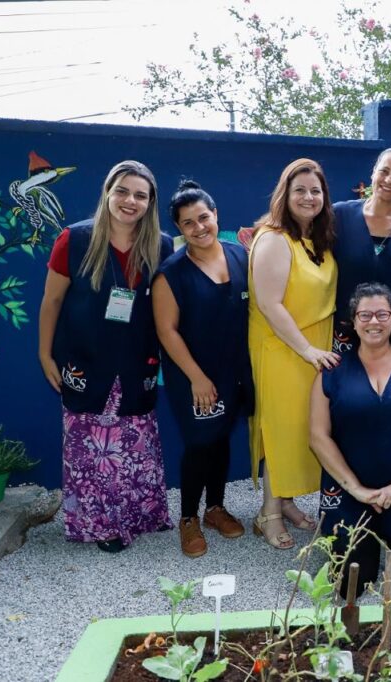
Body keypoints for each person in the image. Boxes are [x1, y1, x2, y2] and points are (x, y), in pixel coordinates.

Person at [38, 160, 172, 553]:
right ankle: (99, 524)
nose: (130, 201)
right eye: (123, 191)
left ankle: (140, 514)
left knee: (134, 443)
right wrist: (44, 354)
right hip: (84, 359)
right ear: (108, 192)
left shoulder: (161, 245)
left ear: (150, 202)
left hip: (136, 360)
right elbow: (52, 300)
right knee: (88, 446)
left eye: (140, 195)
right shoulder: (74, 239)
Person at [310, 282, 391, 594]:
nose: (374, 322)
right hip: (348, 494)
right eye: (365, 315)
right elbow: (318, 437)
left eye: (382, 314)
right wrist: (355, 489)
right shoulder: (332, 372)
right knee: (350, 585)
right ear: (354, 322)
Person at [153, 180, 253, 558]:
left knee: (222, 437)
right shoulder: (171, 273)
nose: (199, 227)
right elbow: (167, 330)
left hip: (234, 371)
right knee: (199, 443)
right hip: (194, 376)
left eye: (203, 217)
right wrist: (196, 377)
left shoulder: (239, 256)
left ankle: (215, 508)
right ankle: (188, 519)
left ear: (216, 216)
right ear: (179, 230)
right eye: (188, 223)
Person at [248, 158, 339, 549]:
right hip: (284, 349)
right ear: (284, 194)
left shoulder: (313, 239)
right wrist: (305, 349)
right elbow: (270, 304)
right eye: (299, 189)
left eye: (315, 190)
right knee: (282, 428)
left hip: (312, 347)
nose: (308, 197)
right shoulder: (273, 238)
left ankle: (284, 500)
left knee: (305, 427)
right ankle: (268, 510)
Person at [331, 148, 391, 352]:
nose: (389, 180)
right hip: (343, 337)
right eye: (384, 171)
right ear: (373, 172)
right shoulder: (339, 216)